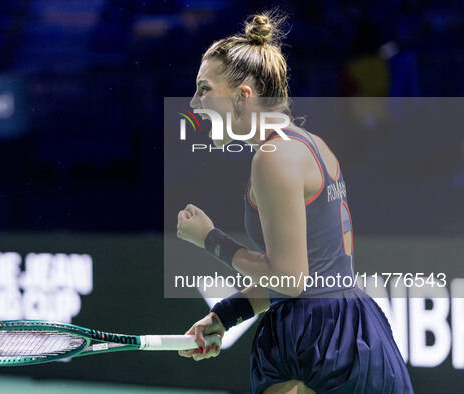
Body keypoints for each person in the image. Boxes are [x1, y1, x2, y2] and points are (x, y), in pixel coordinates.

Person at [175, 11, 413, 394]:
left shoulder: (273, 158)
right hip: (353, 332)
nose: (194, 102)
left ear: (243, 96)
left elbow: (290, 278)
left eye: (204, 89)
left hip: (314, 343)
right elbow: (312, 278)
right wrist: (225, 315)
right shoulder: (309, 145)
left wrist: (210, 239)